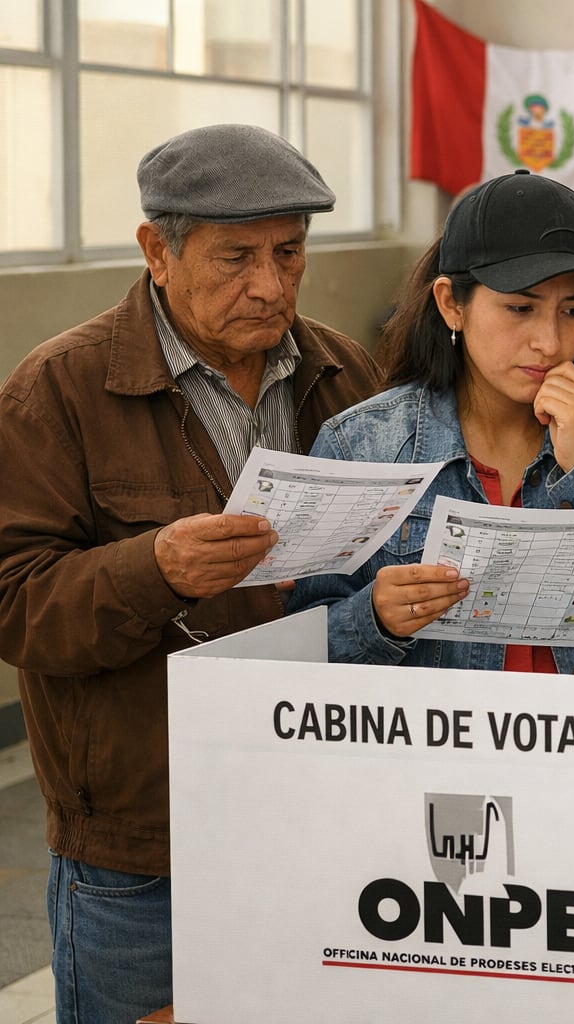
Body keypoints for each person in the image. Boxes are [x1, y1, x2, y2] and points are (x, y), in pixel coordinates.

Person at [0, 123, 383, 1023]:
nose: (270, 285)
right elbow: (15, 606)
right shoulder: (59, 391)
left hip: (325, 815)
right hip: (144, 848)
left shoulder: (344, 375)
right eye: (236, 257)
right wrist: (154, 568)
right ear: (156, 252)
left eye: (289, 253)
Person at [289, 169, 574, 677]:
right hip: (441, 729)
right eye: (520, 308)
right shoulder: (363, 445)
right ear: (451, 304)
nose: (549, 342)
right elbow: (303, 648)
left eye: (573, 311)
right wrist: (374, 618)